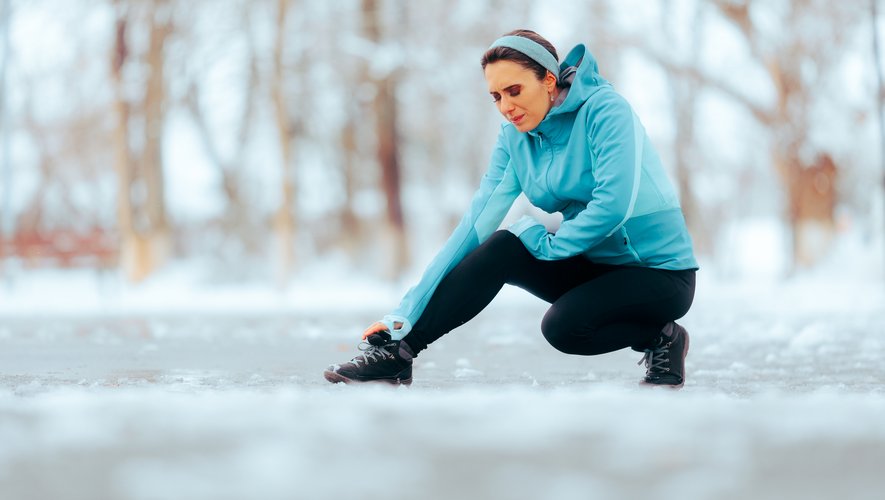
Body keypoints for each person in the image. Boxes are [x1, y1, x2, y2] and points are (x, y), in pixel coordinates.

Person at [324, 29, 698, 388]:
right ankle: (399, 353)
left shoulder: (605, 111)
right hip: (596, 267)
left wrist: (551, 245)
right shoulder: (514, 139)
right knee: (504, 245)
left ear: (549, 80)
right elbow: (475, 226)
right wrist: (404, 314)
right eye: (496, 97)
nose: (506, 107)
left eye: (514, 90)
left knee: (564, 328)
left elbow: (614, 205)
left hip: (660, 273)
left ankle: (663, 336)